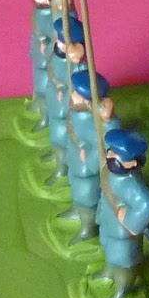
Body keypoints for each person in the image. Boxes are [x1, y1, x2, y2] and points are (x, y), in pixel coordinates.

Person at [94, 128, 149, 298]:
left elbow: (146, 205)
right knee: (109, 249)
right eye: (111, 151)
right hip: (108, 222)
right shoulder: (112, 174)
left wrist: (129, 222)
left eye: (117, 155)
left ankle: (123, 290)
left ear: (131, 163)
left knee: (124, 261)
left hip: (122, 232)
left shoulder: (131, 184)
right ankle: (109, 271)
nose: (110, 155)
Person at [59, 68, 118, 240]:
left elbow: (104, 147)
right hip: (75, 161)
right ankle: (78, 210)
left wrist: (89, 160)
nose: (73, 95)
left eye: (78, 94)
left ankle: (88, 227)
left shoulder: (101, 123)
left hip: (87, 166)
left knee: (87, 194)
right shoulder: (77, 113)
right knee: (76, 188)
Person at [43, 13, 85, 181]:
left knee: (62, 136)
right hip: (55, 101)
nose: (58, 43)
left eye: (62, 41)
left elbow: (75, 89)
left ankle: (62, 166)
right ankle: (57, 154)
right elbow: (53, 70)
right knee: (56, 132)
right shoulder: (58, 56)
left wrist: (64, 91)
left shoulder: (77, 68)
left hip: (65, 107)